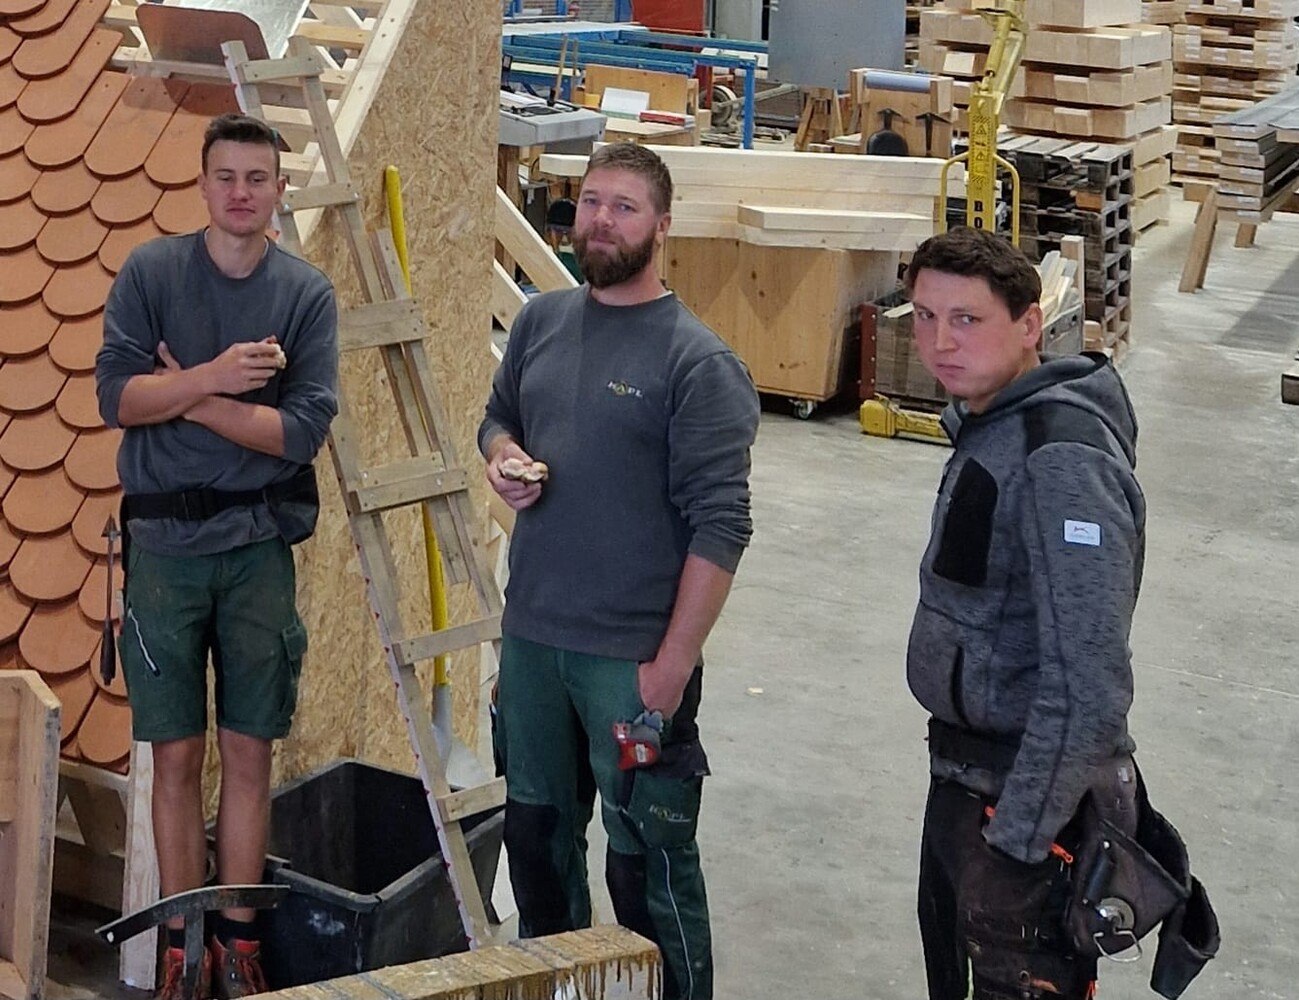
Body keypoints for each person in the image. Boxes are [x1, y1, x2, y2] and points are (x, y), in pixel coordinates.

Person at [479, 142, 759, 1000]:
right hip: (531, 641)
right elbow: (497, 420)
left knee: (649, 871)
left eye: (624, 206)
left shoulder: (695, 361)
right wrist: (502, 460)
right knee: (536, 845)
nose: (599, 219)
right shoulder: (539, 322)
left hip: (627, 660)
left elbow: (723, 527)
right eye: (591, 201)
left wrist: (669, 668)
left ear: (662, 227)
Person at [96, 113, 338, 1000]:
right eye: (226, 176)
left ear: (278, 190)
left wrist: (183, 390)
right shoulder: (152, 274)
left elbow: (298, 434)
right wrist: (217, 377)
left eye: (257, 178)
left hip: (257, 549)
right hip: (161, 548)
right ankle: (178, 941)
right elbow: (119, 397)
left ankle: (237, 940)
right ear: (203, 185)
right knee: (174, 757)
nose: (241, 192)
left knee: (248, 752)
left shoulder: (305, 295)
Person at [904, 227, 1145, 1000]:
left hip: (1020, 804)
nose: (939, 341)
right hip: (967, 780)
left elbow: (1091, 685)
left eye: (966, 319)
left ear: (1030, 326)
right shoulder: (994, 425)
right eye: (923, 316)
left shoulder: (1060, 458)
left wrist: (1017, 845)